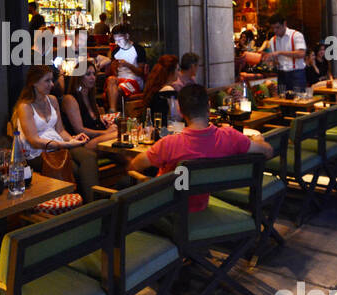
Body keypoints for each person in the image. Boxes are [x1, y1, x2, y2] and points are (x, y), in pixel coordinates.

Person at [131, 85, 271, 211]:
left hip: (169, 209)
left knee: (125, 184)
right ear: (208, 106)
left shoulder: (169, 144)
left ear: (180, 110)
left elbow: (136, 164)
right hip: (201, 205)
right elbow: (268, 151)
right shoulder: (230, 137)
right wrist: (259, 139)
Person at [14, 66, 89, 182]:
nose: (52, 85)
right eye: (47, 81)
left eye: (52, 80)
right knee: (74, 169)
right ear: (34, 82)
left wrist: (72, 140)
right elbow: (34, 141)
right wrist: (64, 145)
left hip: (58, 147)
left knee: (88, 156)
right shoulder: (25, 107)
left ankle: (99, 199)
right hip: (38, 153)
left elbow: (60, 131)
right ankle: (87, 198)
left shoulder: (52, 100)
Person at [105, 24, 148, 112]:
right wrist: (114, 67)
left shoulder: (138, 49)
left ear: (127, 36)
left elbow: (141, 72)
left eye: (120, 39)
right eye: (115, 40)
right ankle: (113, 111)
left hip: (134, 82)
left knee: (118, 89)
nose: (118, 43)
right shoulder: (116, 52)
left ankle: (113, 111)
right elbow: (115, 74)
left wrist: (128, 65)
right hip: (119, 80)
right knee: (111, 80)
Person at [258, 15, 307, 92]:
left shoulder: (296, 35)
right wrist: (268, 59)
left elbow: (301, 54)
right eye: (273, 28)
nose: (275, 31)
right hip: (281, 74)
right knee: (282, 100)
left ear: (284, 24)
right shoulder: (272, 40)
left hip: (296, 74)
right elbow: (275, 62)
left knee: (298, 101)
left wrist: (280, 52)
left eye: (277, 27)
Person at [140, 55, 181, 126]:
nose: (179, 73)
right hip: (166, 130)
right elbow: (177, 116)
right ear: (171, 72)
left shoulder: (155, 88)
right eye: (177, 70)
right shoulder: (168, 91)